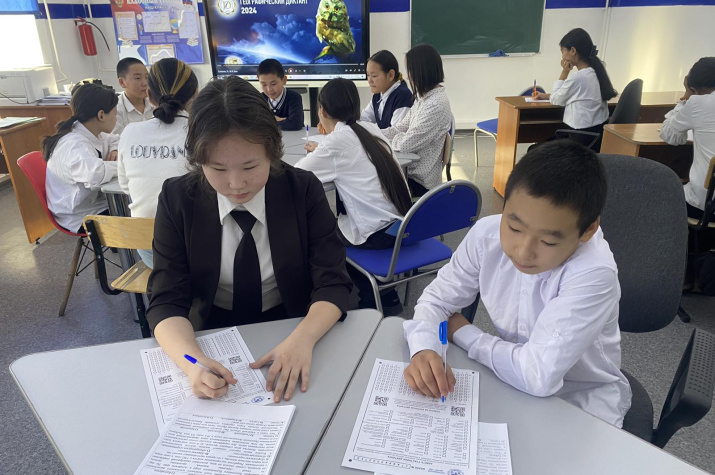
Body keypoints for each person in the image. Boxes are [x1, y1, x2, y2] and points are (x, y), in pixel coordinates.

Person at [146, 76, 352, 403]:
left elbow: (333, 282)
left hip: (294, 323)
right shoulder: (178, 198)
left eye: (250, 166)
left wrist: (303, 339)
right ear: (199, 161)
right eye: (218, 169)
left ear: (272, 152)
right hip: (208, 332)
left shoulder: (302, 190)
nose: (236, 184)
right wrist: (191, 363)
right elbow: (165, 300)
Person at [403, 141, 631, 428]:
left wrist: (462, 331)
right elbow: (437, 300)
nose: (523, 252)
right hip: (507, 380)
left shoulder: (593, 274)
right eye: (514, 227)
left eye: (548, 241)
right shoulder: (486, 236)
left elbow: (537, 375)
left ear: (588, 230)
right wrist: (424, 348)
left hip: (579, 400)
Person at [296, 78, 412, 313]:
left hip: (378, 234)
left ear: (322, 110)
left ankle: (368, 294)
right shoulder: (370, 129)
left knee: (317, 230)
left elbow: (298, 174)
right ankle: (385, 293)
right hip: (403, 224)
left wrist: (324, 149)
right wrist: (325, 148)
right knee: (339, 221)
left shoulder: (337, 142)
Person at [117, 58, 198, 268]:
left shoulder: (130, 132)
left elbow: (125, 187)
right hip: (198, 248)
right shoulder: (204, 133)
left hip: (149, 249)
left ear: (150, 95)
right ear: (195, 94)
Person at [43, 82, 119, 234]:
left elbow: (115, 139)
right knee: (139, 216)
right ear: (101, 115)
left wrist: (115, 149)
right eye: (115, 114)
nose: (116, 119)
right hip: (79, 216)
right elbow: (95, 174)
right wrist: (125, 164)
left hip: (93, 204)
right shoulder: (74, 144)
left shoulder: (91, 132)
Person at [383, 43, 453, 197]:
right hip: (408, 172)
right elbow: (401, 127)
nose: (407, 76)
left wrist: (396, 138)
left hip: (419, 182)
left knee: (363, 183)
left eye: (409, 70)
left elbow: (405, 145)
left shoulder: (436, 105)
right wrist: (374, 134)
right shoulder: (423, 97)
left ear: (421, 71)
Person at [535, 28, 618, 150]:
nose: (562, 56)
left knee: (534, 150)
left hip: (578, 140)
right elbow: (574, 95)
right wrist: (546, 96)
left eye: (562, 51)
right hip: (594, 137)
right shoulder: (596, 71)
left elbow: (556, 100)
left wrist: (565, 71)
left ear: (573, 51)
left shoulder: (578, 77)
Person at [660, 57, 715, 220]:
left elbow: (670, 135)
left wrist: (687, 96)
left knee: (659, 194)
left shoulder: (700, 102)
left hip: (705, 206)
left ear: (697, 90)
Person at [360, 50, 413, 129]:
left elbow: (396, 132)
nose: (370, 81)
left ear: (391, 75)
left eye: (374, 76)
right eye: (368, 75)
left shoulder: (403, 96)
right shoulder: (378, 95)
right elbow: (363, 119)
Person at [257, 58, 304, 131]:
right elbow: (256, 123)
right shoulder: (260, 99)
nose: (269, 89)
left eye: (273, 84)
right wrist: (282, 120)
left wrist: (269, 121)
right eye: (264, 85)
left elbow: (296, 124)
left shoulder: (294, 97)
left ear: (284, 80)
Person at [113, 57, 154, 135]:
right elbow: (117, 139)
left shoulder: (155, 103)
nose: (145, 83)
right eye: (138, 78)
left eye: (147, 77)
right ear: (122, 82)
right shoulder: (115, 110)